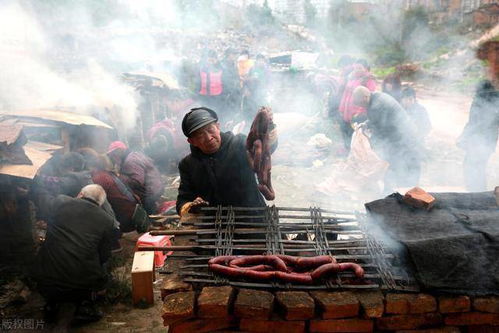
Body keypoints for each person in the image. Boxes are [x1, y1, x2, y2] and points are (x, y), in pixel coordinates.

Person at [33, 184, 118, 323]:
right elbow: (104, 256)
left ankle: (52, 304)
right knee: (101, 261)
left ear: (80, 194)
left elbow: (42, 201)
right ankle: (85, 304)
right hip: (80, 285)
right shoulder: (106, 220)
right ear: (100, 203)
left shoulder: (61, 202)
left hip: (45, 280)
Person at [176, 107, 276, 216]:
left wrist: (268, 127)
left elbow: (265, 148)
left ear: (218, 127)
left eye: (210, 129)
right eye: (200, 135)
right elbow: (183, 200)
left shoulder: (240, 144)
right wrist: (191, 206)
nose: (209, 138)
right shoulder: (188, 165)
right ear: (192, 141)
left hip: (253, 217)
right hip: (214, 225)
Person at [352, 86, 421, 192]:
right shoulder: (376, 97)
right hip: (402, 137)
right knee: (395, 166)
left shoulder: (377, 105)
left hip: (405, 138)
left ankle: (398, 194)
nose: (362, 107)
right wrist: (366, 124)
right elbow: (376, 120)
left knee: (400, 167)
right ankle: (394, 192)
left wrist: (371, 146)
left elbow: (381, 131)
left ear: (365, 97)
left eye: (361, 104)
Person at [458, 80, 499, 191]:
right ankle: (479, 192)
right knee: (479, 167)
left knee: (470, 166)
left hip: (477, 141)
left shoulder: (479, 100)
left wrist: (464, 137)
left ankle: (474, 193)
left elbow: (474, 122)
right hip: (489, 143)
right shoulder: (497, 99)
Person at [107, 141, 164, 214]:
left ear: (119, 151)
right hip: (156, 187)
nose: (113, 158)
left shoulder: (130, 161)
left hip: (150, 193)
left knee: (148, 213)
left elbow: (137, 181)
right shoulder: (134, 155)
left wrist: (119, 177)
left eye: (113, 155)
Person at [338, 59, 376, 151]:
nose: (357, 70)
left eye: (360, 68)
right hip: (347, 111)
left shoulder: (368, 80)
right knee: (345, 130)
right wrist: (341, 108)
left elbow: (368, 99)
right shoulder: (352, 78)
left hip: (358, 113)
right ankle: (347, 151)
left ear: (366, 68)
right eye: (355, 68)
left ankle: (356, 154)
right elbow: (345, 94)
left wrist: (359, 113)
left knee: (356, 135)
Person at [197, 49, 225, 117]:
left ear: (216, 59)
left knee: (215, 113)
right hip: (204, 95)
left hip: (216, 96)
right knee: (205, 114)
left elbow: (225, 83)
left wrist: (223, 95)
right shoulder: (201, 68)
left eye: (213, 60)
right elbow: (198, 81)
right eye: (209, 60)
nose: (211, 62)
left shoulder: (221, 68)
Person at [242, 54, 270, 119]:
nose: (261, 62)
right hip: (252, 93)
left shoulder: (266, 70)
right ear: (256, 61)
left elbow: (269, 81)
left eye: (262, 61)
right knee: (252, 111)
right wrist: (246, 89)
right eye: (259, 60)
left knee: (262, 110)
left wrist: (268, 90)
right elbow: (245, 80)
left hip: (262, 93)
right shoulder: (252, 69)